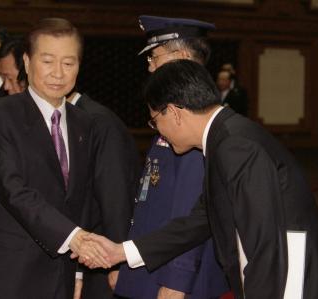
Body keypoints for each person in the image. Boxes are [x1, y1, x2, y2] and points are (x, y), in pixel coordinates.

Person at [83, 59, 318, 299]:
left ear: (174, 113)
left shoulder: (234, 146)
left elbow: (265, 248)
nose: (158, 131)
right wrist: (121, 252)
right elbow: (199, 221)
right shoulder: (223, 139)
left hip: (292, 286)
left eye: (154, 121)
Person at [0, 17, 107, 299]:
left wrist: (79, 269)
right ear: (27, 63)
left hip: (60, 272)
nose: (58, 73)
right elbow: (13, 189)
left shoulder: (85, 124)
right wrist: (74, 238)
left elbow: (83, 197)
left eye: (69, 63)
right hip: (5, 274)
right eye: (48, 61)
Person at [113, 15, 228, 299]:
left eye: (154, 57)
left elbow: (192, 213)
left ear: (183, 57)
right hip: (152, 264)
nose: (150, 66)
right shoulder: (173, 108)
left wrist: (177, 280)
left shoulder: (196, 119)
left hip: (174, 277)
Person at [66, 89, 139, 299]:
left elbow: (115, 194)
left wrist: (116, 263)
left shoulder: (97, 121)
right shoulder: (69, 117)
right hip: (79, 251)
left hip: (101, 257)